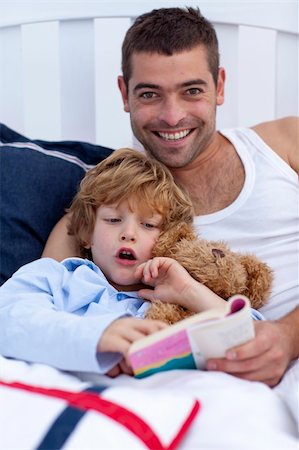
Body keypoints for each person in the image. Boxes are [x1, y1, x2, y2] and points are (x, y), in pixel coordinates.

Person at [42, 7, 298, 387]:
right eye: (150, 94)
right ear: (124, 94)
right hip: (207, 384)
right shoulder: (103, 210)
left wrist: (288, 338)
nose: (172, 116)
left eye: (192, 91)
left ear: (220, 86)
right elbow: (37, 309)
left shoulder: (284, 143)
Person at [0, 148, 238, 376]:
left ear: (170, 239)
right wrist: (97, 337)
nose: (129, 233)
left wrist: (189, 292)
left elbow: (247, 336)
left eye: (148, 225)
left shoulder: (177, 300)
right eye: (113, 219)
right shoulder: (55, 277)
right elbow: (9, 319)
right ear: (85, 234)